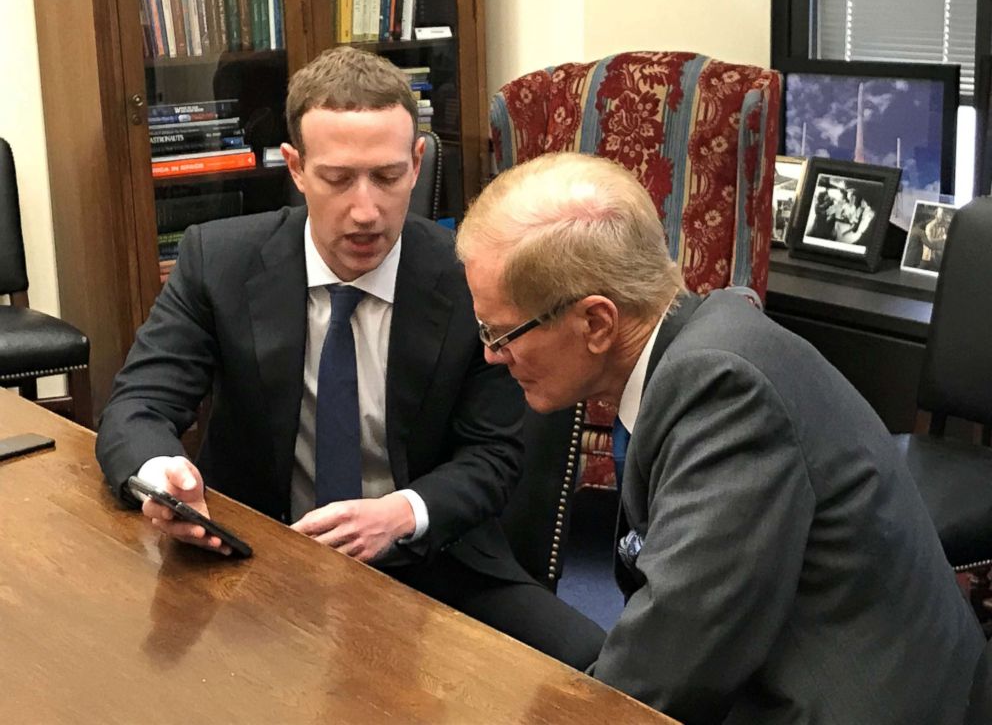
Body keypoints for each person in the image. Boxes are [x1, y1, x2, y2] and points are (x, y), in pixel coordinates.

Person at [95, 47, 604, 670]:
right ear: (296, 168)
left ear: (417, 164)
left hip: (433, 559)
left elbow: (494, 456)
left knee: (597, 667)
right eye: (338, 179)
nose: (366, 211)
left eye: (388, 177)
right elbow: (139, 405)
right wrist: (165, 479)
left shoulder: (471, 277)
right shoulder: (218, 260)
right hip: (258, 556)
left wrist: (400, 514)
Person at [455, 151, 984, 724]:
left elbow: (666, 665)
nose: (490, 353)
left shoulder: (723, 392)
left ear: (597, 323)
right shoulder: (698, 342)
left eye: (502, 332)